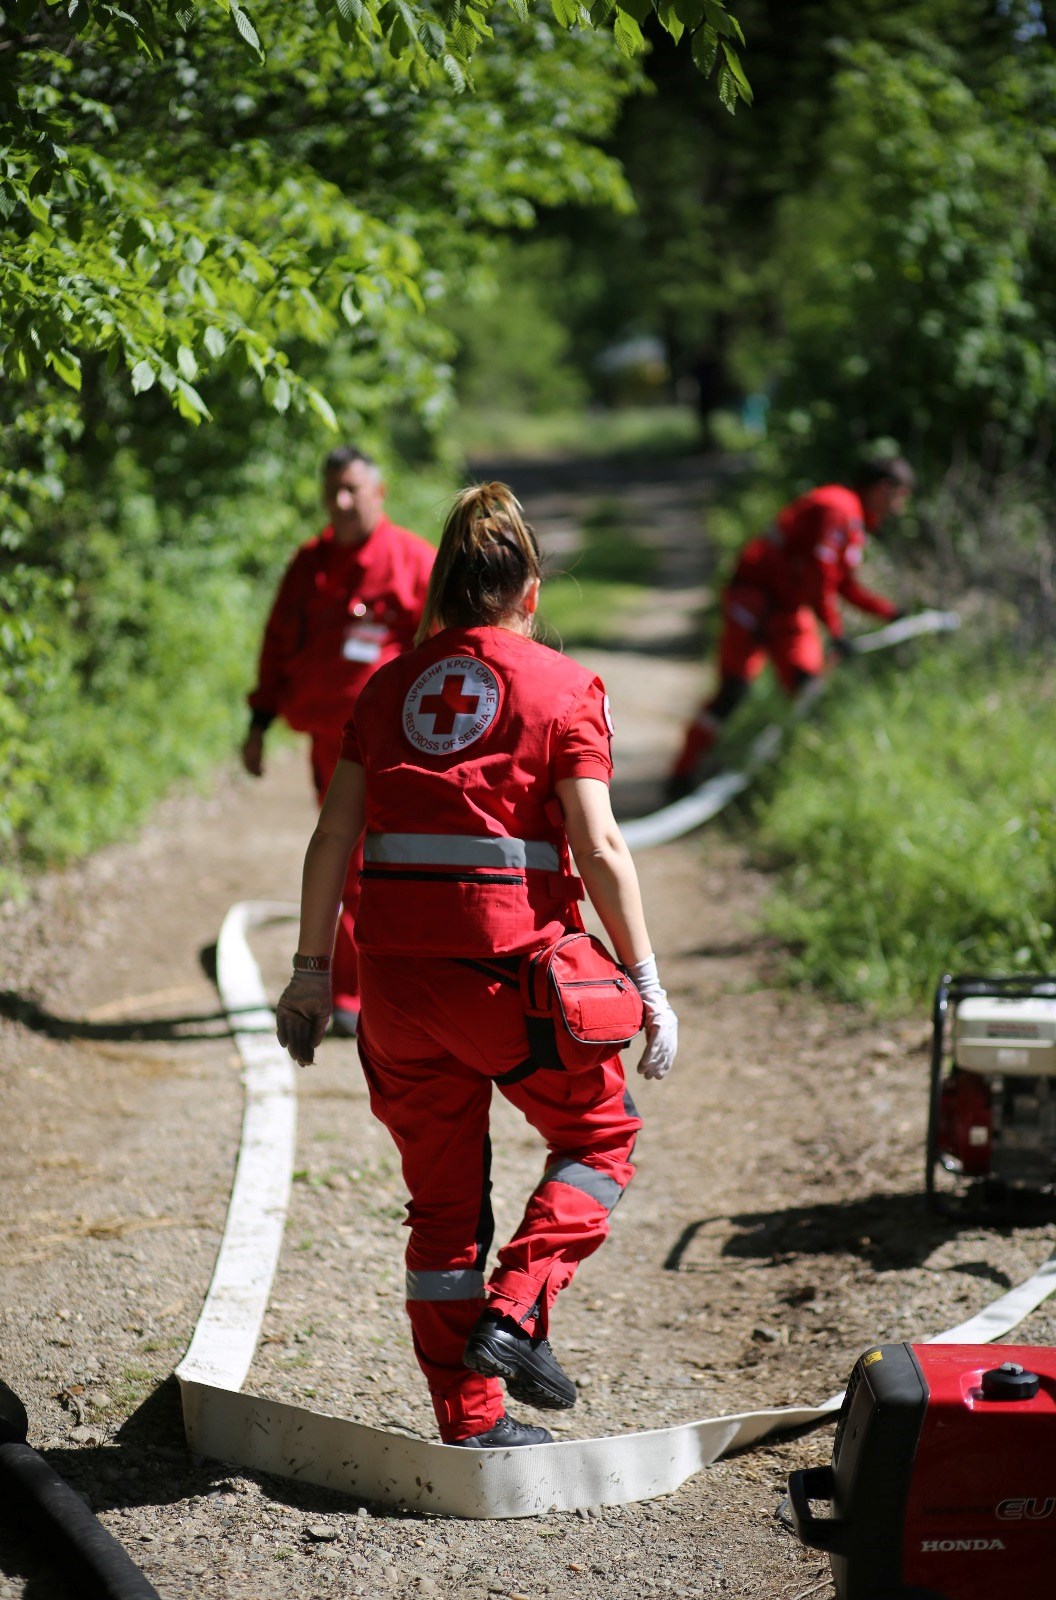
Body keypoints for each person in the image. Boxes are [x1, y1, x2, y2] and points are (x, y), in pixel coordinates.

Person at [273, 483, 679, 1449]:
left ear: (443, 589)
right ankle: (517, 1310)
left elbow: (331, 837)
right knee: (601, 1139)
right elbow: (600, 846)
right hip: (517, 989)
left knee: (443, 1209)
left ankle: (471, 1419)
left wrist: (307, 972)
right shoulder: (565, 688)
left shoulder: (385, 689)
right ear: (528, 589)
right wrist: (649, 984)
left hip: (399, 995)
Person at [242, 446, 435, 1036]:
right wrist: (258, 723)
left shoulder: (413, 562)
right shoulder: (311, 563)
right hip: (333, 742)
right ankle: (356, 992)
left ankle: (374, 990)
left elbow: (453, 644)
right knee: (349, 861)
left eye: (352, 489)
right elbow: (278, 642)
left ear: (380, 492)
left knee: (377, 862)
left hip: (402, 745)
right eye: (332, 491)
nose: (340, 502)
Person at [666, 454, 915, 798]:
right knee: (732, 691)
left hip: (788, 610)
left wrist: (890, 612)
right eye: (900, 495)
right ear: (884, 487)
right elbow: (820, 574)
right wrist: (836, 632)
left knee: (807, 689)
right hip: (752, 602)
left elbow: (843, 584)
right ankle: (682, 776)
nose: (900, 507)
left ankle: (783, 783)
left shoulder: (852, 518)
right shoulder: (837, 508)